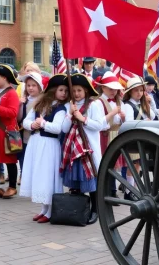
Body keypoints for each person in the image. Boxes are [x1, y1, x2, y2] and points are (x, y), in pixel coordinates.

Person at [20, 74, 69, 223]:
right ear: (53, 90)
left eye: (66, 91)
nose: (64, 93)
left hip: (49, 145)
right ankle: (44, 208)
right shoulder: (39, 104)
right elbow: (25, 121)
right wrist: (32, 125)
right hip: (36, 143)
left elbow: (58, 128)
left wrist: (43, 124)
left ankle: (50, 211)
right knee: (39, 175)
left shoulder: (60, 109)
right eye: (61, 90)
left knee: (47, 177)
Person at [61, 74, 107, 225]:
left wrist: (82, 119)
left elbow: (99, 125)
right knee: (76, 181)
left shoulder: (93, 105)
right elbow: (64, 128)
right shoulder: (70, 105)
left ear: (86, 91)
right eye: (73, 90)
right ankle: (79, 209)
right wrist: (70, 115)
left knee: (91, 179)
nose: (76, 94)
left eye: (79, 90)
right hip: (73, 149)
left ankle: (96, 209)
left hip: (88, 149)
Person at [94, 72, 125, 200]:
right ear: (103, 88)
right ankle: (107, 190)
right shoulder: (98, 103)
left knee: (114, 163)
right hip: (104, 135)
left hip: (115, 134)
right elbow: (101, 122)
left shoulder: (118, 102)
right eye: (110, 89)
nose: (113, 92)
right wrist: (112, 114)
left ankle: (112, 191)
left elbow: (120, 121)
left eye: (115, 89)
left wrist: (122, 118)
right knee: (106, 163)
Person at [123, 77, 155, 200]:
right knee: (133, 166)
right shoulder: (128, 105)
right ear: (130, 92)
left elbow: (153, 115)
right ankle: (128, 191)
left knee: (138, 165)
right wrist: (143, 121)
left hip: (141, 138)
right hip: (132, 138)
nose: (139, 93)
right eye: (136, 90)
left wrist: (148, 102)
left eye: (141, 90)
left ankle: (135, 189)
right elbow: (129, 122)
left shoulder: (141, 104)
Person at [0, 63, 20, 198]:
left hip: (7, 132)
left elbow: (13, 113)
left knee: (10, 159)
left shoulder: (12, 93)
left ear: (4, 78)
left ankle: (12, 187)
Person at [17, 72, 44, 185]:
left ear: (39, 86)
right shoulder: (25, 100)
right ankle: (25, 176)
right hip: (25, 134)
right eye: (28, 85)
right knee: (24, 157)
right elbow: (19, 118)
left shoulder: (43, 101)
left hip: (38, 135)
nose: (31, 88)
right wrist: (19, 105)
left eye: (34, 85)